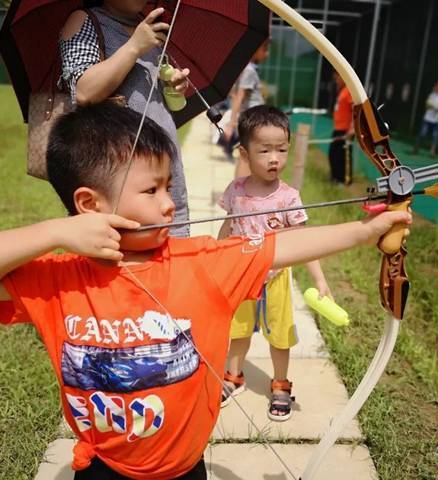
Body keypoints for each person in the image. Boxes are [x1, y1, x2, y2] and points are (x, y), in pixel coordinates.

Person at [0, 102, 411, 479]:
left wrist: (367, 230)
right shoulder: (56, 280)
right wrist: (55, 231)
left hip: (184, 469)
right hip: (102, 468)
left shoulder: (201, 262)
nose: (168, 204)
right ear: (89, 205)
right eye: (151, 190)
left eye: (168, 186)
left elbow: (283, 246)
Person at [217, 105, 332, 421]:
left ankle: (280, 383)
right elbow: (227, 227)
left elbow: (304, 242)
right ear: (244, 153)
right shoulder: (236, 192)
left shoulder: (288, 197)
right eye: (264, 150)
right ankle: (233, 375)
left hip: (276, 278)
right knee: (238, 330)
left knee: (280, 335)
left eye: (281, 150)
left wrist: (319, 280)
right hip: (241, 274)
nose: (274, 158)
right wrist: (215, 258)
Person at [60, 1, 191, 237]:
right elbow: (84, 91)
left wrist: (172, 86)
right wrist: (134, 46)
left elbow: (150, 95)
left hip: (165, 177)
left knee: (173, 258)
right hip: (118, 181)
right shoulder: (84, 19)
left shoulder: (149, 25)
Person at [220, 40, 269, 175]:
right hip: (254, 119)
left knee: (247, 155)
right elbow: (239, 96)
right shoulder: (249, 71)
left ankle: (241, 189)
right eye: (265, 49)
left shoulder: (245, 69)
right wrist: (231, 123)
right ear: (256, 50)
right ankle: (241, 191)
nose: (267, 53)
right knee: (248, 157)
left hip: (251, 118)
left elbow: (236, 94)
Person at [412, 80, 438, 158]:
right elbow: (427, 105)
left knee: (435, 136)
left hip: (437, 120)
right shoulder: (432, 95)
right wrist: (431, 106)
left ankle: (432, 152)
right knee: (422, 134)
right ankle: (416, 148)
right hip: (427, 118)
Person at [329, 71, 354, 185]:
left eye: (337, 78)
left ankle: (343, 180)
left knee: (342, 156)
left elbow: (355, 111)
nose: (336, 80)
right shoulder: (342, 91)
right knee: (333, 154)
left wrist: (352, 129)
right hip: (338, 129)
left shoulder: (349, 91)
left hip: (345, 131)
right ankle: (335, 178)